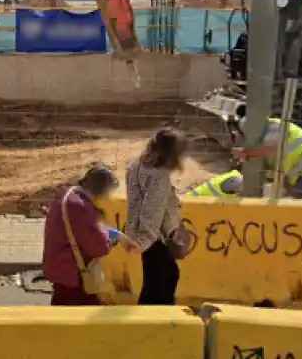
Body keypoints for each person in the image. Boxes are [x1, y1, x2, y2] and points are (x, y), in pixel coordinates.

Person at [237, 118, 302, 262]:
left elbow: (273, 150)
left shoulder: (273, 128)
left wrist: (247, 153)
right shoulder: (275, 128)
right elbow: (282, 160)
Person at [123, 128, 198, 304]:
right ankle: (155, 324)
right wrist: (143, 241)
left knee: (162, 279)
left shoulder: (136, 166)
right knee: (159, 285)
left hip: (144, 234)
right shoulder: (159, 175)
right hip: (155, 237)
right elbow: (152, 209)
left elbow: (136, 203)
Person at [41, 162, 122, 306]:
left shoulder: (66, 195)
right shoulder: (81, 207)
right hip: (73, 274)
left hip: (59, 268)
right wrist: (112, 239)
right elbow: (98, 247)